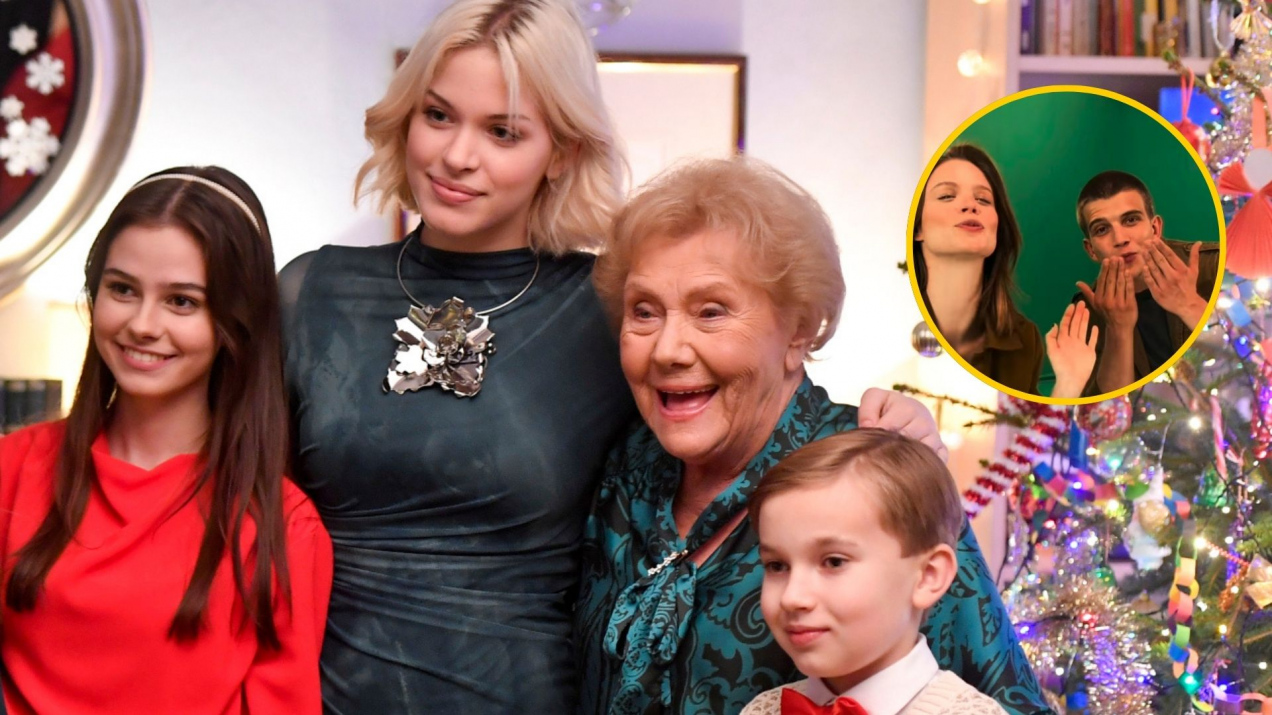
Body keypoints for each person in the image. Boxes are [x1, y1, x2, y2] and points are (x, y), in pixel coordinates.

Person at [281, 2, 940, 711]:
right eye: (438, 115)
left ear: (562, 150)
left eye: (502, 131)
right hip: (315, 693)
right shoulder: (310, 292)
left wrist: (893, 430)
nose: (457, 155)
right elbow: (235, 491)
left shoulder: (609, 308)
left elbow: (756, 399)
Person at [576, 156, 1049, 715]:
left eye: (711, 312)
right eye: (644, 312)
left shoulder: (870, 468)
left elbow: (999, 696)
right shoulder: (622, 466)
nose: (667, 350)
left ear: (800, 329)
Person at [0, 166, 331, 714]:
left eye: (182, 301)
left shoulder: (282, 528)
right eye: (122, 289)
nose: (142, 324)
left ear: (234, 322)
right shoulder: (12, 468)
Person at [739, 429, 1007, 715]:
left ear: (928, 576)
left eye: (834, 562)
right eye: (777, 566)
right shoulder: (763, 710)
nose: (792, 598)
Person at [914, 143, 1097, 398]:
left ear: (998, 227)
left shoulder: (1023, 340)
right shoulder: (886, 320)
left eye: (983, 199)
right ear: (917, 228)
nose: (970, 205)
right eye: (947, 196)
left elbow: (1027, 425)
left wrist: (1069, 384)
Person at [1072, 170, 1221, 396]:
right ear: (1091, 250)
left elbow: (1253, 354)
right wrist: (1118, 329)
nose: (1120, 239)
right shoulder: (1087, 312)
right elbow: (1112, 405)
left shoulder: (1213, 265)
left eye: (1131, 220)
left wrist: (1188, 304)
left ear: (1155, 229)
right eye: (1102, 229)